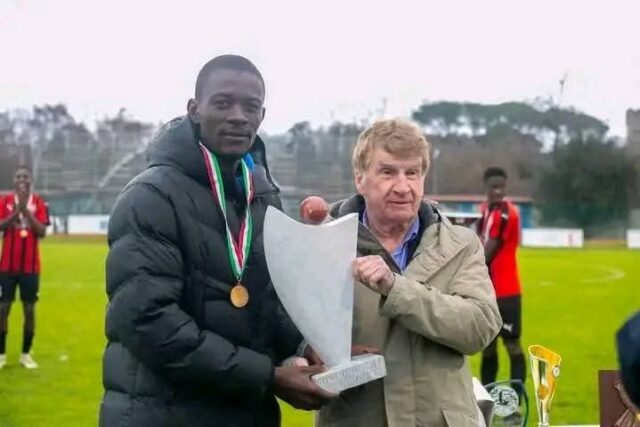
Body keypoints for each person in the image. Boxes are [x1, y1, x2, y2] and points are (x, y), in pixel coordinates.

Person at [99, 55, 334, 427]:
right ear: (194, 109)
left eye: (250, 107)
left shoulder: (263, 197)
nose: (238, 116)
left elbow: (270, 301)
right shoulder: (150, 196)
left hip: (245, 413)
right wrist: (267, 376)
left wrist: (309, 347)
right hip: (161, 414)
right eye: (223, 103)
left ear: (262, 115)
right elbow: (148, 320)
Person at [316, 119, 502, 426]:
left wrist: (395, 288)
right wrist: (311, 353)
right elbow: (293, 333)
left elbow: (479, 328)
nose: (403, 187)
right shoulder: (323, 244)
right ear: (360, 179)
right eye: (388, 172)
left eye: (412, 173)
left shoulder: (461, 245)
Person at [477, 167, 526, 397]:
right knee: (487, 346)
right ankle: (487, 398)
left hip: (506, 292)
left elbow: (487, 253)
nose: (498, 191)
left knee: (512, 344)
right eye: (493, 187)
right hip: (487, 291)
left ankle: (516, 400)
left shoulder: (507, 214)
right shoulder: (486, 211)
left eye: (501, 187)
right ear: (486, 187)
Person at [0, 165, 50, 370]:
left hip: (31, 268)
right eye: (18, 176)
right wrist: (16, 212)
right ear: (14, 181)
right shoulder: (4, 201)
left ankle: (25, 355)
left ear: (31, 181)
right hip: (6, 268)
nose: (22, 179)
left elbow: (42, 232)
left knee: (29, 310)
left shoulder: (39, 203)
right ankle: (1, 355)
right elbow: (0, 226)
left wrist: (26, 212)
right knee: (2, 309)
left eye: (25, 177)